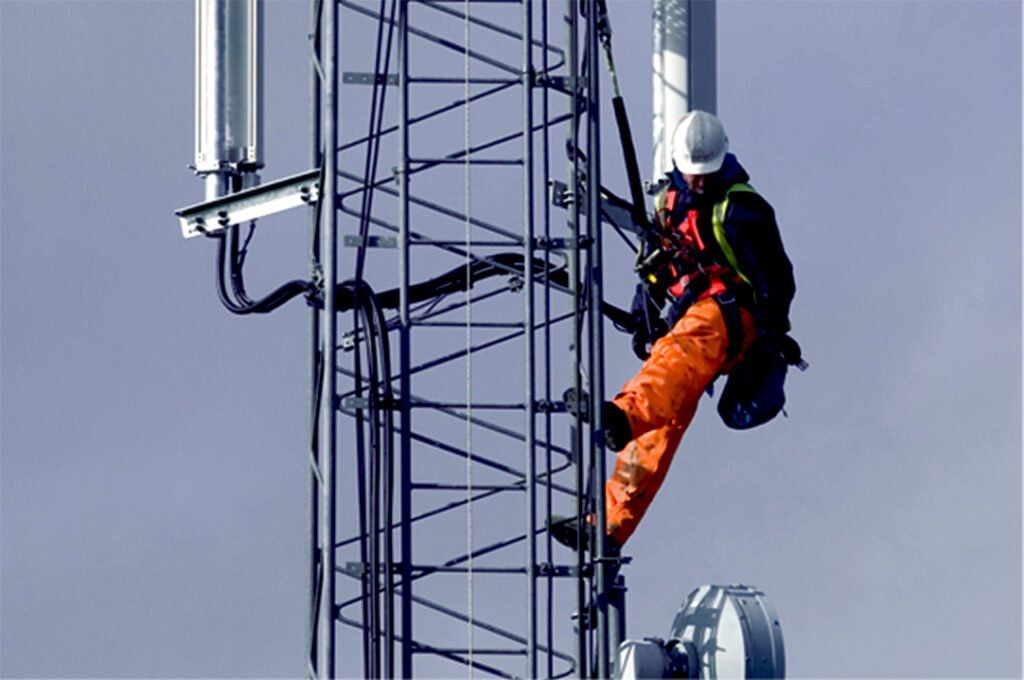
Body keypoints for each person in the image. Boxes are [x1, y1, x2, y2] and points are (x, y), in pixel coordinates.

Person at [551, 110, 799, 552]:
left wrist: (771, 336)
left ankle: (623, 414)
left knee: (679, 353)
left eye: (706, 174)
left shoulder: (743, 211)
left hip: (730, 317)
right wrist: (642, 313)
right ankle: (609, 524)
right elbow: (658, 269)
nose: (699, 182)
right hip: (694, 316)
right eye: (692, 174)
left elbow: (775, 282)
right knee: (660, 422)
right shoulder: (670, 206)